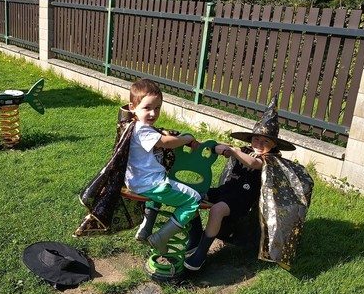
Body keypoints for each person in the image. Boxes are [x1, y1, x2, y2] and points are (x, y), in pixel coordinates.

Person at [184, 97, 312, 271]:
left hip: (242, 200)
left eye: (266, 141)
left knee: (217, 210)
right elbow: (223, 147)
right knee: (190, 195)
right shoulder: (244, 150)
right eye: (256, 139)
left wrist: (233, 151)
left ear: (274, 144)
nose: (259, 144)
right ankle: (196, 235)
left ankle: (201, 253)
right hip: (225, 191)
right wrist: (211, 145)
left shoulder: (270, 160)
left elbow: (253, 163)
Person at [125, 78, 201, 255]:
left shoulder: (133, 125)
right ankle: (161, 237)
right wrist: (186, 139)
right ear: (132, 107)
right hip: (149, 183)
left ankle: (145, 229)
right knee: (194, 200)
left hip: (137, 181)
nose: (153, 113)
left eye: (157, 108)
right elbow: (166, 142)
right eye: (147, 108)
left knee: (163, 187)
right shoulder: (142, 130)